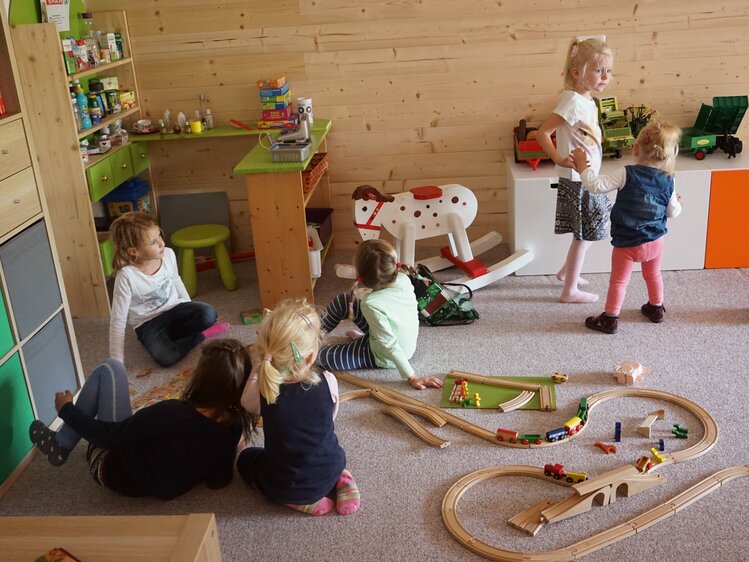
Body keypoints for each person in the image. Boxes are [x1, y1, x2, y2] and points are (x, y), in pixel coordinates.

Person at [27, 339, 257, 500]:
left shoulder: (171, 413)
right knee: (144, 425)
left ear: (203, 380)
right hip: (162, 487)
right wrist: (233, 446)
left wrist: (67, 409)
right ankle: (62, 443)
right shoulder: (233, 424)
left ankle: (62, 443)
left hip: (109, 468)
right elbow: (218, 480)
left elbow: (108, 437)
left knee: (110, 368)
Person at [237, 299, 360, 516]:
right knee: (324, 447)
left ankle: (303, 500)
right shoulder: (328, 380)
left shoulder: (264, 391)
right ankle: (341, 477)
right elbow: (329, 419)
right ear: (311, 357)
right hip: (331, 463)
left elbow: (246, 404)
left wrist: (257, 369)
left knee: (245, 459)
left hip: (288, 483)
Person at [570, 121, 683, 334]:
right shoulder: (669, 179)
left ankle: (610, 318)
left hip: (627, 243)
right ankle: (656, 308)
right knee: (654, 274)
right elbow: (672, 212)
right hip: (655, 241)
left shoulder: (626, 173)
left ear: (636, 148)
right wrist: (679, 202)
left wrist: (583, 167)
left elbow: (596, 186)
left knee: (619, 281)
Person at [536, 37, 614, 304]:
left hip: (587, 177)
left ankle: (566, 272)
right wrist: (558, 158)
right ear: (576, 72)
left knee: (589, 231)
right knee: (584, 235)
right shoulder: (571, 102)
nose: (605, 77)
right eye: (598, 70)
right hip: (578, 180)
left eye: (608, 71)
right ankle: (569, 290)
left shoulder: (586, 100)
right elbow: (542, 132)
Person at [316, 239, 443, 391]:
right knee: (345, 300)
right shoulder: (404, 278)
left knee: (320, 357)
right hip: (395, 339)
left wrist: (412, 376)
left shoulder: (370, 303)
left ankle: (310, 348)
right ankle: (312, 337)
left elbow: (389, 342)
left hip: (381, 355)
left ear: (361, 276)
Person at [108, 212, 229, 367]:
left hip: (175, 309)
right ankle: (201, 336)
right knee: (166, 357)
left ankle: (172, 337)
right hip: (148, 323)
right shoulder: (126, 276)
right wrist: (116, 360)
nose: (162, 243)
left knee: (208, 313)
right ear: (133, 251)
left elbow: (176, 281)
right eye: (153, 242)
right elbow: (118, 319)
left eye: (160, 236)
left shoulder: (168, 255)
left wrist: (189, 307)